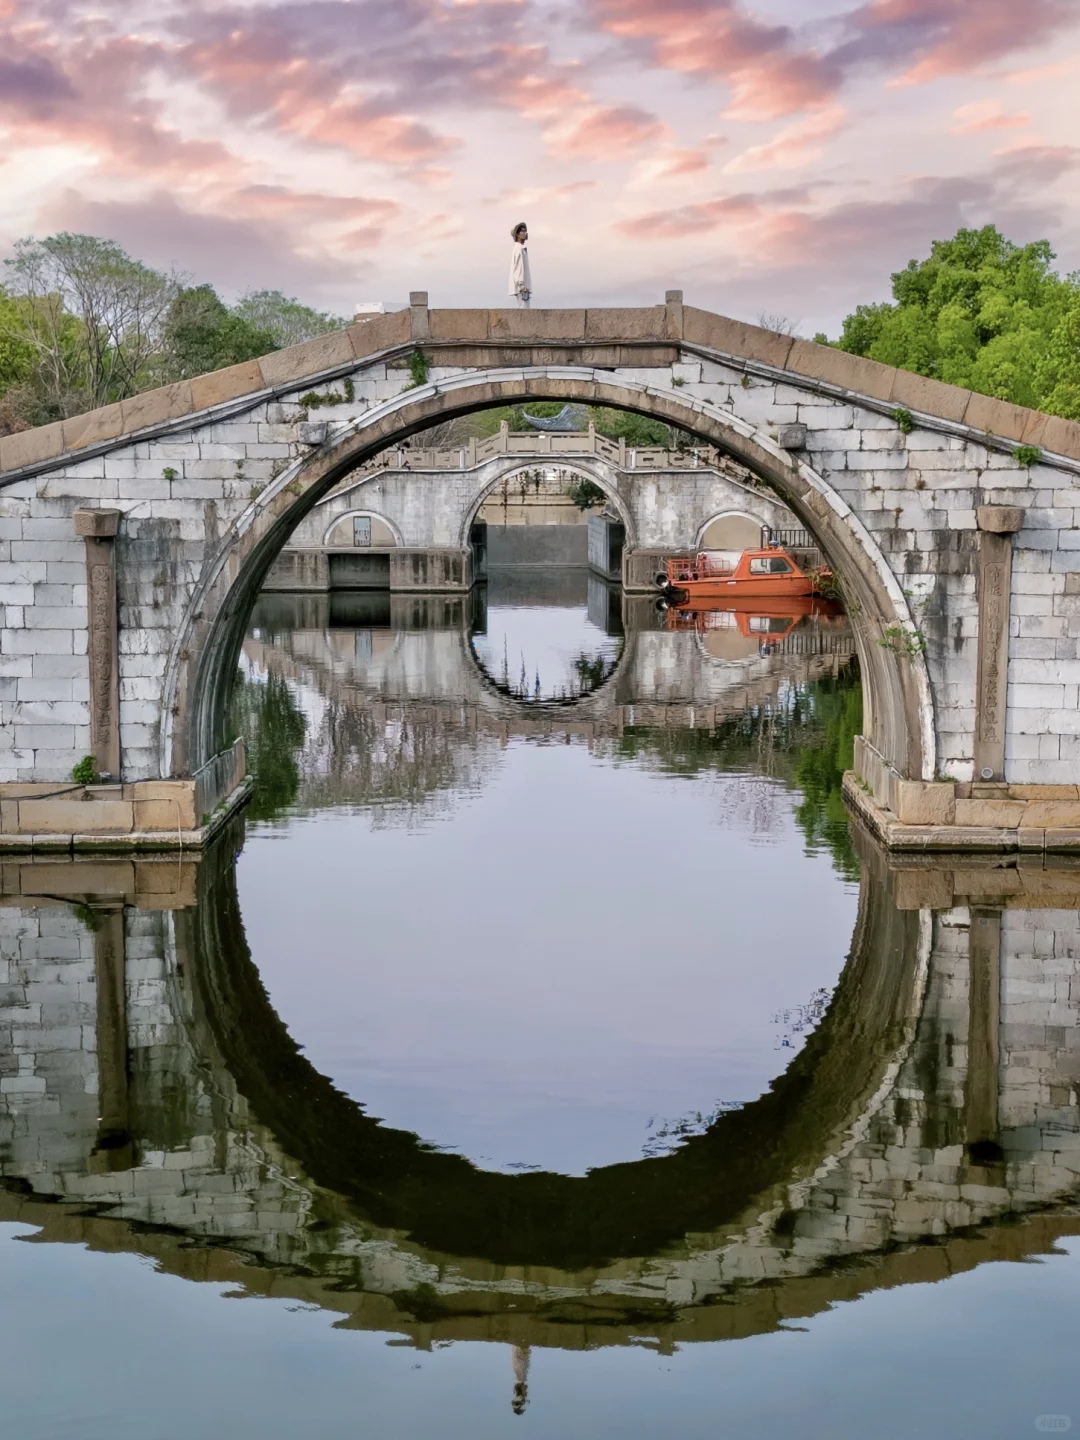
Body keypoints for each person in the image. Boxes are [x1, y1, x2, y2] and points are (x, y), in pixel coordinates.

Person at [509, 223, 531, 308]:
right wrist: (521, 285)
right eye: (522, 231)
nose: (525, 233)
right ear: (517, 234)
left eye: (525, 231)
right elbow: (518, 267)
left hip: (524, 286)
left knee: (525, 308)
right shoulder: (518, 248)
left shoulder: (521, 248)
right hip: (521, 287)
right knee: (524, 308)